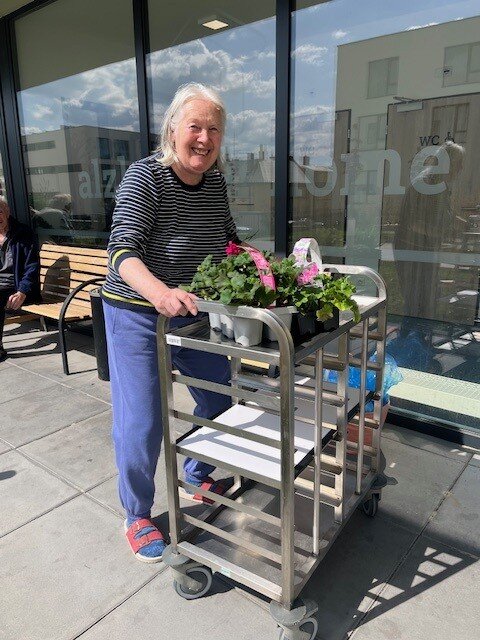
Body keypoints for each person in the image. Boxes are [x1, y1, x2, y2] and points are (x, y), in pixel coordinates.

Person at [101, 83, 241, 563]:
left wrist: (262, 266)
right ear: (173, 130)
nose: (204, 138)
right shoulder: (146, 177)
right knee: (142, 420)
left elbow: (228, 240)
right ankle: (137, 513)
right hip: (137, 311)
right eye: (195, 127)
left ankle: (197, 473)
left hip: (191, 312)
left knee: (219, 400)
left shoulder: (215, 182)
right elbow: (121, 251)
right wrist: (159, 293)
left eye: (214, 129)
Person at [0, 197, 40, 362]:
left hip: (17, 287)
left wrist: (22, 291)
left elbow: (32, 266)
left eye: (0, 212)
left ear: (7, 212)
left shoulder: (23, 233)